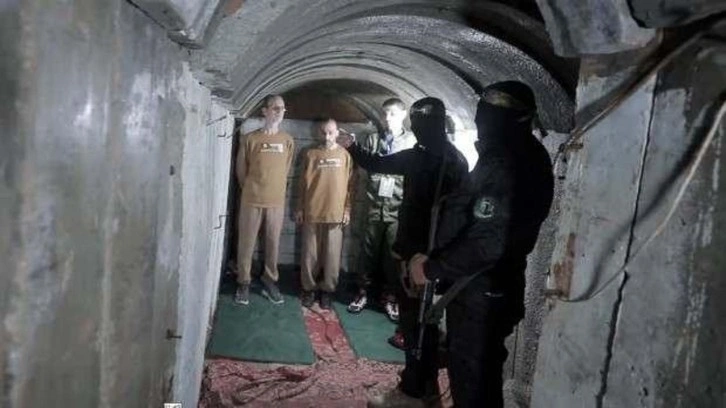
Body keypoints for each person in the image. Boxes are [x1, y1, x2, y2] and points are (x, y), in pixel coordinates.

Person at [402, 81, 554, 407]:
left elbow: (488, 243)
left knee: (474, 384)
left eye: (489, 112)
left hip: (482, 294)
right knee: (477, 378)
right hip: (487, 290)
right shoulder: (525, 154)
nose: (481, 119)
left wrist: (431, 268)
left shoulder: (504, 163)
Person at [336, 97, 469, 406]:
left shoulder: (422, 158)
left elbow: (376, 164)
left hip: (418, 258)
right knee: (426, 324)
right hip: (440, 259)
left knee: (415, 325)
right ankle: (427, 388)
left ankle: (414, 390)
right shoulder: (456, 160)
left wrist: (352, 147)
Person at [347, 98, 416, 322]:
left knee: (393, 256)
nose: (387, 118)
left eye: (392, 113)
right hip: (374, 206)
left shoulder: (411, 141)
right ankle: (362, 292)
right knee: (367, 252)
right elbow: (363, 168)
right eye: (385, 113)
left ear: (403, 114)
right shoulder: (373, 140)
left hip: (397, 208)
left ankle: (390, 296)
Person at [234, 94, 294, 305]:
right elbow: (241, 171)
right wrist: (252, 189)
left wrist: (274, 189)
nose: (279, 112)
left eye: (282, 108)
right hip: (252, 200)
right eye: (275, 108)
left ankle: (269, 280)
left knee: (273, 243)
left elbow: (285, 170)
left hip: (275, 202)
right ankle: (243, 282)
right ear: (265, 111)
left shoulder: (287, 141)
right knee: (246, 243)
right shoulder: (250, 139)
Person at [296, 118, 355, 310]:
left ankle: (328, 290)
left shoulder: (345, 155)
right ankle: (308, 288)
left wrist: (347, 209)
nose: (327, 136)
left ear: (337, 132)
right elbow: (302, 183)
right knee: (310, 254)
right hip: (312, 210)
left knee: (332, 254)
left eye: (331, 132)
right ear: (318, 133)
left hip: (335, 212)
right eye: (324, 132)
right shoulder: (310, 154)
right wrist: (300, 207)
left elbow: (350, 186)